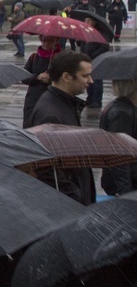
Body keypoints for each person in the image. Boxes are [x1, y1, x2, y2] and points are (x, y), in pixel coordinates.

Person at [28, 51, 95, 206]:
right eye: (85, 76)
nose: (90, 81)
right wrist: (75, 197)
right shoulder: (51, 115)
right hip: (68, 205)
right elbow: (46, 169)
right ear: (66, 77)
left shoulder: (64, 104)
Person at [100, 79, 137, 196]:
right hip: (128, 186)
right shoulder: (121, 113)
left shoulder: (128, 108)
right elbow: (119, 156)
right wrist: (126, 193)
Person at [79, 17, 110, 108]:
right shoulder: (86, 31)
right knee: (88, 80)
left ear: (94, 22)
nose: (86, 22)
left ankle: (97, 101)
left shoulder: (100, 33)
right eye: (85, 20)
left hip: (97, 60)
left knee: (96, 81)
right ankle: (90, 98)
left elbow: (104, 47)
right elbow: (82, 45)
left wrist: (93, 55)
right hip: (87, 60)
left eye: (88, 20)